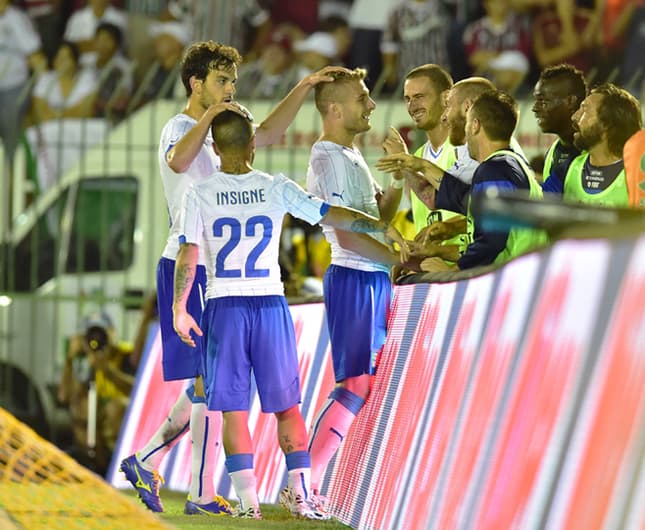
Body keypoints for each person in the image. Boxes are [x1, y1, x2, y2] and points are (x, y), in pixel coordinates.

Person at [119, 40, 349, 516]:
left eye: (233, 83)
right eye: (222, 81)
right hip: (189, 264)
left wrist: (304, 87)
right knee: (207, 383)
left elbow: (263, 132)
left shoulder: (221, 126)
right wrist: (210, 118)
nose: (230, 89)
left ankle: (154, 463)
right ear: (195, 83)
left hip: (220, 270)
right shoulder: (179, 126)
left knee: (209, 383)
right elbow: (179, 162)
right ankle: (193, 488)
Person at [173, 108, 405, 520]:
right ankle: (301, 494)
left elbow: (189, 252)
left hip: (224, 306)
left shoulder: (200, 193)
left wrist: (179, 308)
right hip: (269, 305)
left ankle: (248, 504)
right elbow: (328, 214)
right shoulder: (274, 187)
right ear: (251, 145)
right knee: (287, 408)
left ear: (215, 147)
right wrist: (378, 225)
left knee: (232, 411)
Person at [305, 67, 411, 501]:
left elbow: (378, 219)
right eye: (362, 98)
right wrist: (400, 258)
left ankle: (305, 482)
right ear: (335, 108)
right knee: (353, 385)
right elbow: (347, 234)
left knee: (359, 385)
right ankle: (302, 482)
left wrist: (398, 177)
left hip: (370, 277)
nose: (370, 105)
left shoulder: (349, 154)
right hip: (353, 276)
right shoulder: (326, 157)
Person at [414, 90, 547, 271]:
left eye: (467, 124)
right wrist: (437, 251)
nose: (465, 134)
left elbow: (492, 240)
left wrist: (453, 272)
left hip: (509, 281)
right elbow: (464, 201)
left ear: (475, 125)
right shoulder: (508, 165)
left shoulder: (494, 169)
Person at [57, 311, 136, 475]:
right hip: (92, 428)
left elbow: (137, 391)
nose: (97, 340)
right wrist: (70, 359)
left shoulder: (125, 356)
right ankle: (89, 461)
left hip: (121, 427)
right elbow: (64, 397)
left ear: (112, 334)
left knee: (116, 407)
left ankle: (117, 464)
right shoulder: (82, 360)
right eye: (91, 334)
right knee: (82, 406)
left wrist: (107, 370)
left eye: (102, 334)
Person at [564, 83, 642, 207]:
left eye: (585, 110)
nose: (574, 117)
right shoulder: (574, 167)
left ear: (607, 124)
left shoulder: (638, 175)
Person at [532, 63, 587, 195]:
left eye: (544, 101)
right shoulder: (553, 151)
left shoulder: (596, 151)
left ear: (570, 101)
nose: (535, 108)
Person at [31, 41, 98, 123]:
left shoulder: (87, 78)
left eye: (66, 58)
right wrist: (72, 113)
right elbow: (40, 113)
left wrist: (55, 115)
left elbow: (86, 112)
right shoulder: (45, 79)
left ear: (75, 61)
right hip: (50, 129)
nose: (61, 61)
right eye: (58, 58)